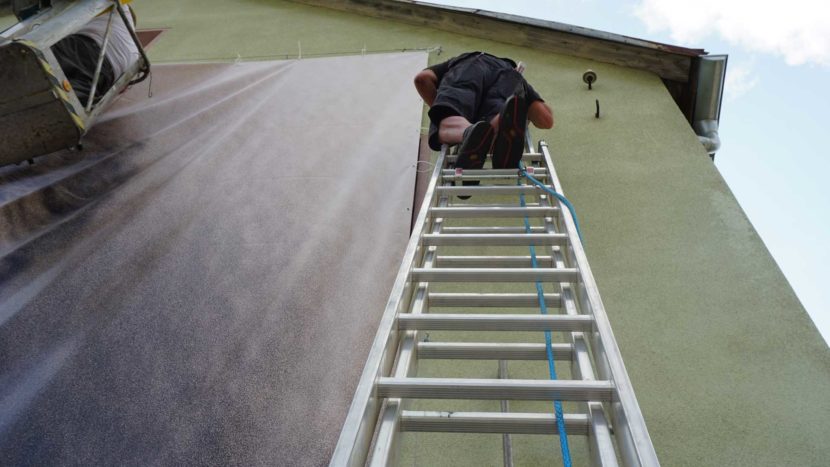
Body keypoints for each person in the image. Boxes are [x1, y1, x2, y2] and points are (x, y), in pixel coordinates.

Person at [414, 51, 554, 170]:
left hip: (470, 64)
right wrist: (526, 111)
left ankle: (468, 131)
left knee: (449, 113)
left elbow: (422, 79)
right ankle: (496, 128)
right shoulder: (517, 78)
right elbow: (546, 119)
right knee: (502, 110)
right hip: (509, 75)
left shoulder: (458, 63)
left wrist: (443, 108)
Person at [51, 4, 140, 106]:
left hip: (89, 50)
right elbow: (121, 88)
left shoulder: (116, 8)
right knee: (77, 87)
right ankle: (79, 96)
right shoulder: (133, 50)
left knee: (45, 51)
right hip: (106, 77)